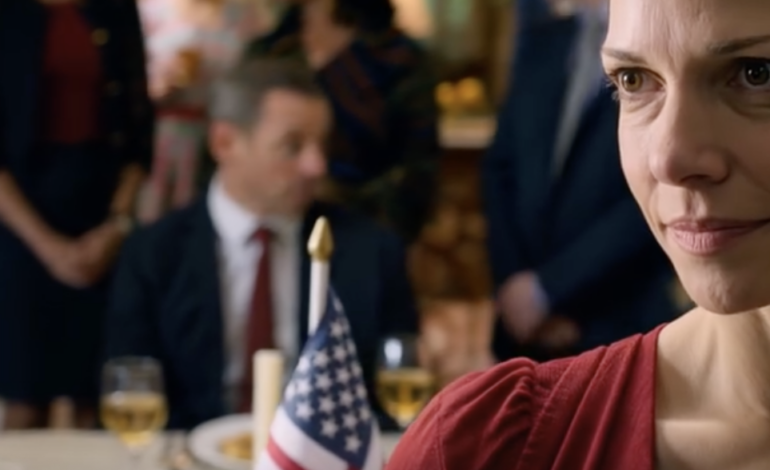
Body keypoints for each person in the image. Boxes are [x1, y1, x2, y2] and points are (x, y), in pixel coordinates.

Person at [388, 0, 770, 467]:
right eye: (633, 80)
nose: (668, 159)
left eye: (757, 74)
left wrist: (553, 288)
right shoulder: (489, 449)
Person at [104, 59, 419, 430]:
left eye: (321, 144)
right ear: (225, 143)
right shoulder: (153, 253)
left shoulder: (371, 252)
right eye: (292, 146)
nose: (317, 166)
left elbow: (387, 403)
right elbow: (132, 387)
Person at [483, 0, 678, 362]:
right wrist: (518, 290)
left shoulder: (662, 39)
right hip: (522, 332)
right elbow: (501, 170)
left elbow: (658, 186)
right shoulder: (544, 40)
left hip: (618, 326)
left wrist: (549, 290)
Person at [0, 0, 152, 428]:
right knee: (25, 401)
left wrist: (116, 226)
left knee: (95, 399)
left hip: (101, 220)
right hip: (19, 224)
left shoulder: (116, 9)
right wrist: (48, 248)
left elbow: (139, 131)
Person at [241, 0, 440, 242]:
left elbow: (417, 173)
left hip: (362, 239)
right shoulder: (267, 52)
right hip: (264, 236)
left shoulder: (398, 58)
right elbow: (228, 154)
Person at [136, 0, 275, 223]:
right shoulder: (152, 8)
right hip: (162, 132)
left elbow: (264, 70)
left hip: (219, 134)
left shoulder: (246, 13)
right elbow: (127, 74)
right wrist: (160, 84)